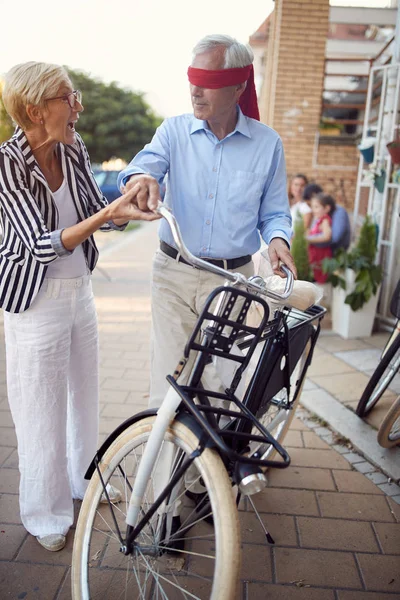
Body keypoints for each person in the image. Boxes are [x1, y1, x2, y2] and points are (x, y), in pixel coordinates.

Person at [0, 62, 157, 552]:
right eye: (69, 97)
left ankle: (84, 480)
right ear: (34, 107)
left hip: (79, 294)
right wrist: (106, 215)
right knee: (41, 409)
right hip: (35, 301)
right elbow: (41, 244)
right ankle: (44, 514)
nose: (79, 107)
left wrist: (125, 205)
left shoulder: (73, 149)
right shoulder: (6, 164)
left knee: (84, 396)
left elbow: (97, 214)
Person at [117, 34, 297, 413]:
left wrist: (279, 238)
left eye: (209, 82)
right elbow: (141, 167)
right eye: (192, 79)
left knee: (223, 385)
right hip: (173, 274)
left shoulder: (268, 144)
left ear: (239, 87)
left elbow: (275, 212)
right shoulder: (173, 131)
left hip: (233, 281)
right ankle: (168, 473)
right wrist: (140, 180)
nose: (196, 91)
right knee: (169, 382)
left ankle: (216, 467)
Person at [307, 193, 334, 283]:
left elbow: (327, 236)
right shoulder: (317, 220)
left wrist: (308, 239)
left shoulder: (325, 220)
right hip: (315, 255)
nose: (313, 210)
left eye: (316, 207)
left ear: (327, 208)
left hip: (321, 256)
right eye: (312, 207)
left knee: (319, 281)